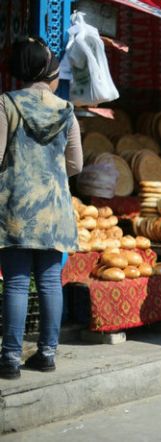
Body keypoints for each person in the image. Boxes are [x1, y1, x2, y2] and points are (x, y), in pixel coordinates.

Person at [0, 37, 83, 380]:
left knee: (17, 284)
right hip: (54, 209)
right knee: (50, 282)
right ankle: (47, 353)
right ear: (45, 70)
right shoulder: (66, 110)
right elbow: (76, 164)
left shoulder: (7, 104)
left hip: (17, 207)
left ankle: (9, 359)